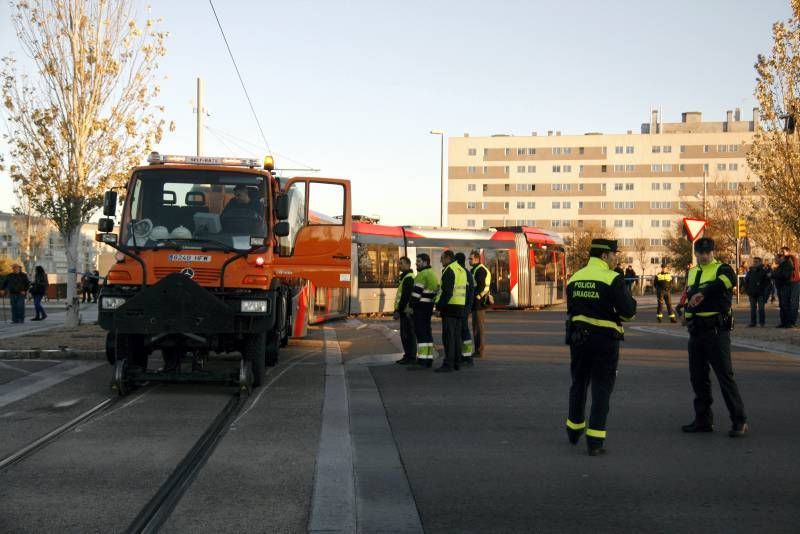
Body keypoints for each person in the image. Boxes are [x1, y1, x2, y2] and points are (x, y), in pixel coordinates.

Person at [565, 239, 637, 456]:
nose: (616, 258)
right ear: (604, 256)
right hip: (604, 341)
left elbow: (571, 309)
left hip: (578, 339)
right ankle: (595, 441)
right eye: (615, 254)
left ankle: (574, 429)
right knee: (601, 388)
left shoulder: (575, 277)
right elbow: (628, 313)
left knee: (578, 383)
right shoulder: (612, 278)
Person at [682, 237, 748, 437]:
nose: (703, 256)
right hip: (696, 332)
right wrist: (685, 314)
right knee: (698, 378)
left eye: (707, 252)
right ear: (695, 254)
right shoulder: (692, 272)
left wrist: (703, 292)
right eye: (700, 252)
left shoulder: (723, 269)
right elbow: (689, 296)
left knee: (725, 377)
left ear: (713, 252)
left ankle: (739, 421)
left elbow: (725, 283)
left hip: (717, 331)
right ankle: (703, 420)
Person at [434, 250, 467, 373]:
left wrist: (439, 308)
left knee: (448, 337)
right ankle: (457, 362)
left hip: (450, 307)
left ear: (448, 258)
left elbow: (447, 292)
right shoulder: (461, 269)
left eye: (442, 258)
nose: (440, 261)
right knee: (457, 337)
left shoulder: (449, 270)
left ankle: (448, 364)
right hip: (459, 307)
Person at [410, 253, 439, 368]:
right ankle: (428, 358)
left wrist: (411, 306)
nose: (416, 263)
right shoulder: (433, 274)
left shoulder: (422, 275)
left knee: (420, 333)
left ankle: (422, 360)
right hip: (428, 307)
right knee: (427, 333)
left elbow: (416, 293)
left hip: (420, 308)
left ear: (425, 262)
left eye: (419, 261)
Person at [393, 256, 417, 365]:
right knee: (406, 335)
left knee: (407, 335)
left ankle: (410, 356)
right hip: (406, 311)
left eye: (401, 263)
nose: (399, 265)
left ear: (408, 264)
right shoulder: (406, 277)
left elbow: (405, 297)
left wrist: (398, 310)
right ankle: (408, 355)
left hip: (407, 312)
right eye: (399, 263)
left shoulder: (408, 278)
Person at [469, 250, 492, 359]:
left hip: (479, 304)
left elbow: (482, 287)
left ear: (477, 259)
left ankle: (479, 351)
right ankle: (478, 350)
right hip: (477, 304)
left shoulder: (480, 270)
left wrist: (476, 298)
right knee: (476, 328)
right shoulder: (476, 269)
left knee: (478, 328)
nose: (469, 260)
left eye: (471, 259)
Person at [455, 252, 476, 367]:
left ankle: (465, 357)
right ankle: (466, 356)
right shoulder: (467, 273)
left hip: (461, 307)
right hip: (466, 307)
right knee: (465, 331)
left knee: (462, 331)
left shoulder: (461, 273)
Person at [744, 257, 770, 327]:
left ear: (760, 262)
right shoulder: (750, 271)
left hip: (760, 293)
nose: (754, 263)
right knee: (753, 308)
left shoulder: (763, 271)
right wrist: (747, 290)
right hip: (751, 292)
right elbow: (746, 281)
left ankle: (762, 323)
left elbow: (767, 282)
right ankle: (753, 322)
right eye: (754, 261)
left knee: (761, 308)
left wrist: (761, 287)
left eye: (756, 262)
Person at [780, 246, 800, 327]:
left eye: (783, 252)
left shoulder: (790, 259)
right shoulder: (786, 259)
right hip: (789, 282)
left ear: (788, 252)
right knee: (787, 302)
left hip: (794, 282)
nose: (782, 253)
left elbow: (790, 270)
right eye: (781, 252)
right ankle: (787, 322)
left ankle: (791, 322)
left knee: (793, 302)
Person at [772, 252, 793, 328]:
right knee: (782, 305)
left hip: (785, 287)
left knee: (785, 305)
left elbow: (785, 275)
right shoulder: (781, 266)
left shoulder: (787, 265)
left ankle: (788, 323)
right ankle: (783, 322)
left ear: (781, 258)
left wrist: (773, 275)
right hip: (781, 287)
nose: (775, 260)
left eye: (776, 259)